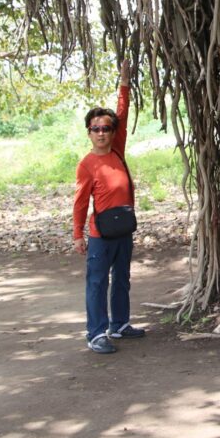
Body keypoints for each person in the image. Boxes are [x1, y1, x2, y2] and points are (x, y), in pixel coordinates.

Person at [73, 59, 146, 354]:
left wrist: (124, 84)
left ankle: (119, 324)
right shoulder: (87, 164)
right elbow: (80, 201)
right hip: (101, 233)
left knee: (122, 280)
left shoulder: (117, 150)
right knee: (97, 282)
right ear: (89, 133)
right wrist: (78, 234)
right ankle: (96, 333)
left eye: (106, 128)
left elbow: (123, 115)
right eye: (96, 128)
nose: (102, 132)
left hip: (123, 228)